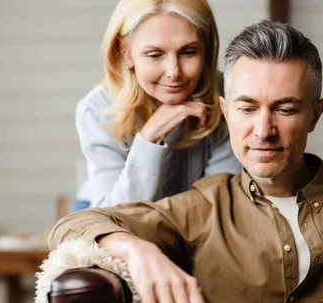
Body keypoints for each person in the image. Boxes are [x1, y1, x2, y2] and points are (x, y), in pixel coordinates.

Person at [50, 20, 323, 303]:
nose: (263, 129)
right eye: (247, 108)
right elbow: (72, 227)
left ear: (316, 113)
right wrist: (138, 251)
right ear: (226, 111)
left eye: (285, 109)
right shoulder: (201, 207)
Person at [70, 0, 241, 212]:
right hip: (104, 206)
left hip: (188, 217)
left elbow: (217, 205)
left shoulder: (228, 97)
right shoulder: (97, 109)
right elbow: (115, 216)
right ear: (125, 52)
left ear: (205, 48)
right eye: (155, 55)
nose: (173, 72)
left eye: (188, 52)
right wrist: (151, 134)